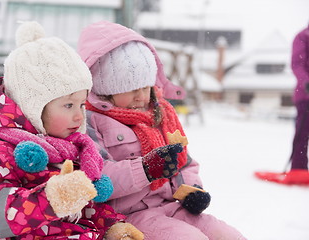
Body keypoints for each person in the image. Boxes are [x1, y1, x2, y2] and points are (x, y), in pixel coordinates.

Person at [0, 21, 144, 240]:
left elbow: (85, 207)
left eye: (82, 104)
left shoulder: (71, 151)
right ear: (33, 107)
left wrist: (111, 226)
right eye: (68, 105)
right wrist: (51, 199)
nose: (79, 116)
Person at [77, 21, 246, 240]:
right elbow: (98, 178)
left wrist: (193, 189)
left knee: (227, 235)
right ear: (105, 90)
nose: (141, 96)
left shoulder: (161, 115)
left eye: (145, 87)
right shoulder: (91, 121)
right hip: (131, 215)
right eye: (130, 89)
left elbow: (184, 162)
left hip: (172, 206)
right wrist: (146, 169)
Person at [255, 25, 309, 185]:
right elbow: (297, 64)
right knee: (303, 133)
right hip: (306, 96)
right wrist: (306, 81)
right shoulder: (303, 36)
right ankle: (299, 169)